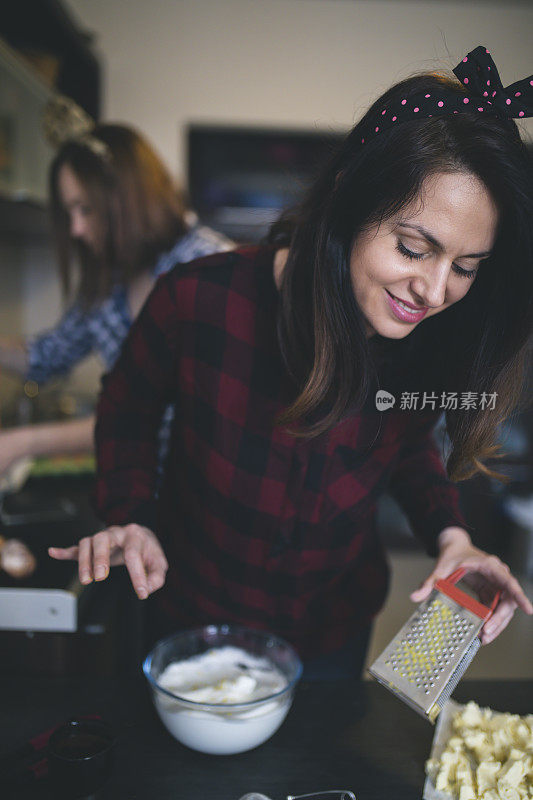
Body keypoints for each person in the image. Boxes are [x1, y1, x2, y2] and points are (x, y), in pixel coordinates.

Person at [49, 47, 533, 678]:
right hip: (191, 614)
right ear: (348, 197)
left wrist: (452, 535)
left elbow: (405, 445)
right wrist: (130, 515)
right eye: (414, 248)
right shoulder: (197, 298)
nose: (436, 290)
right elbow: (127, 411)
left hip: (330, 634)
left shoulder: (424, 337)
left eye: (465, 268)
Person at [0, 101, 233, 477]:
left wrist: (24, 441)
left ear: (128, 199)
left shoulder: (210, 267)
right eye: (69, 212)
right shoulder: (108, 282)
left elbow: (161, 418)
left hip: (204, 505)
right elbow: (47, 355)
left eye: (85, 209)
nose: (75, 229)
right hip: (143, 503)